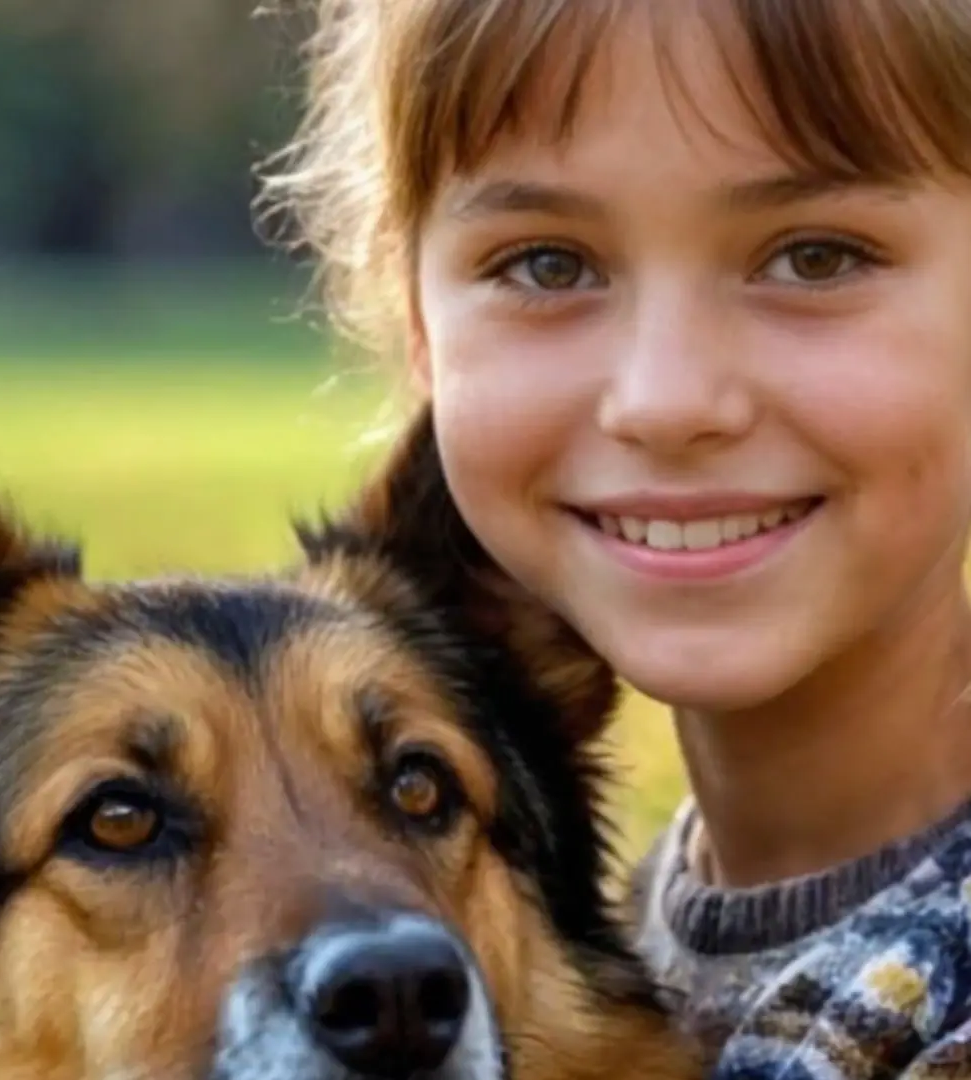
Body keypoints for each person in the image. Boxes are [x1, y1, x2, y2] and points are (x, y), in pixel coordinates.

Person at [258, 2, 971, 1076]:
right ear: (420, 329)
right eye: (547, 265)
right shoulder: (603, 946)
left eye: (816, 257)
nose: (665, 399)